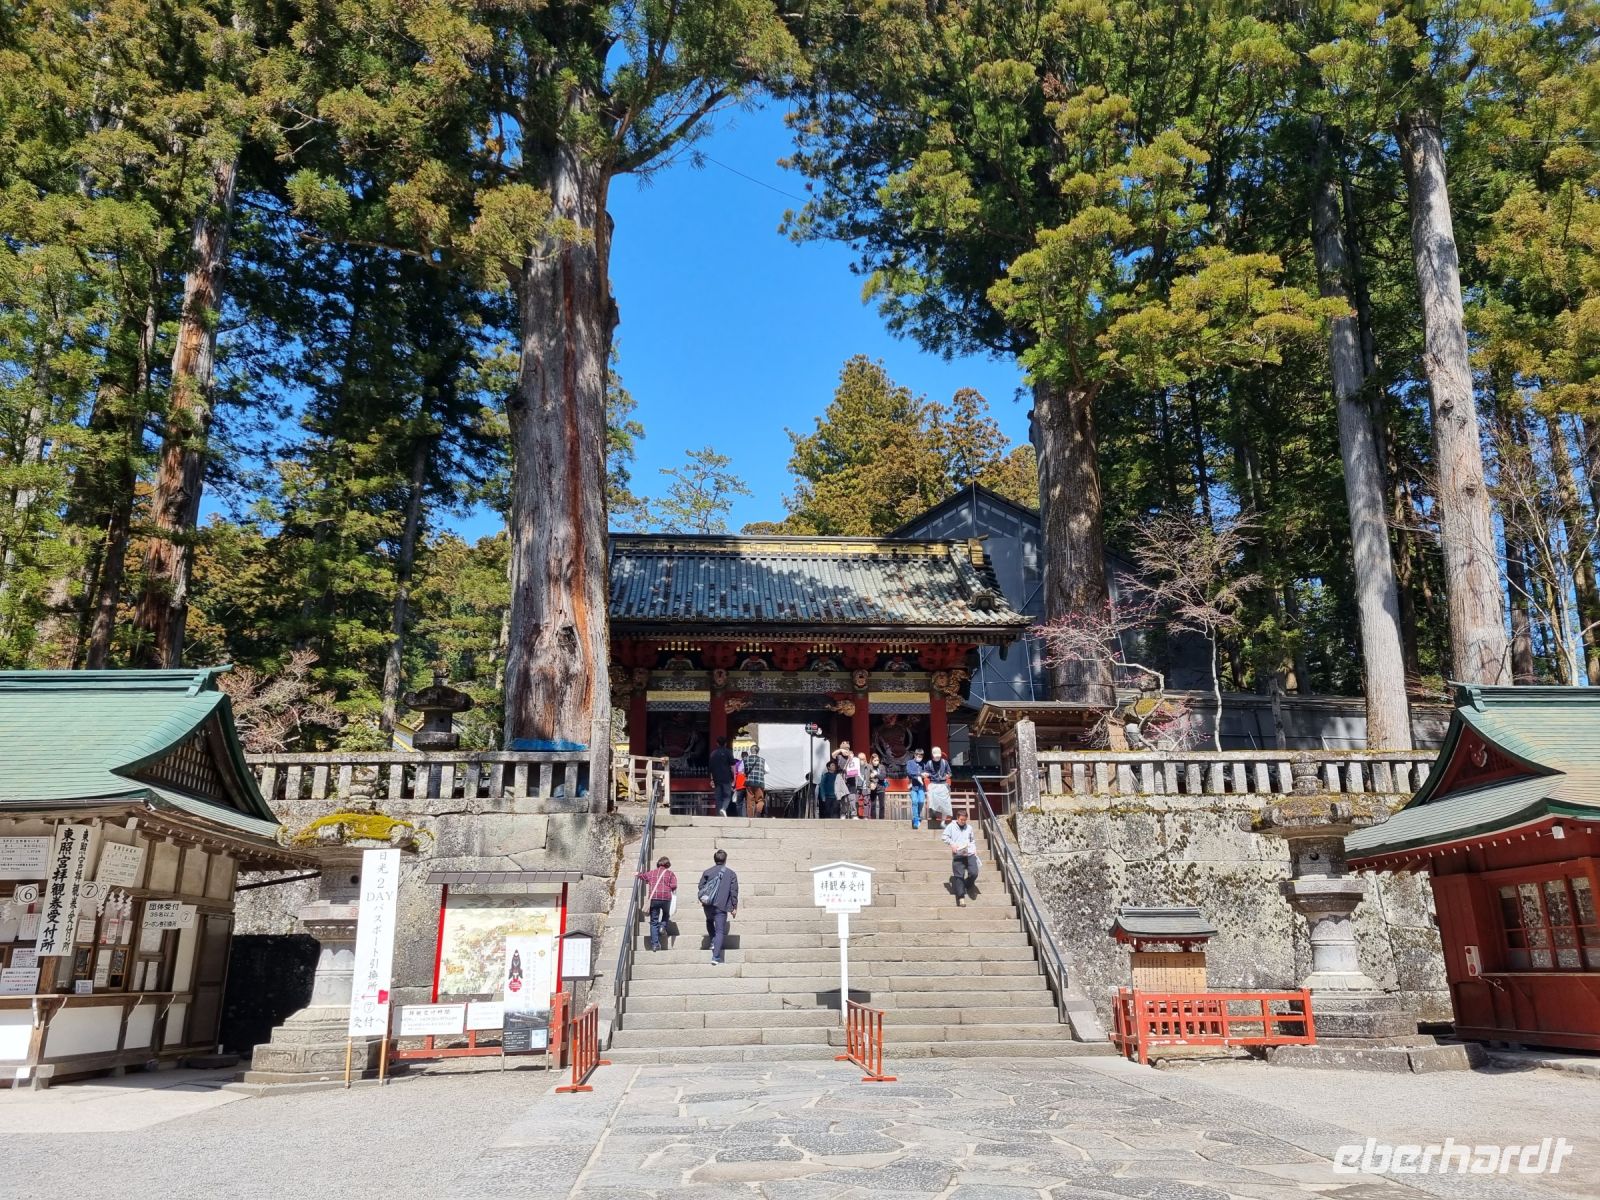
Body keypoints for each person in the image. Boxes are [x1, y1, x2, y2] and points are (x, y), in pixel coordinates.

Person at [697, 849, 739, 964]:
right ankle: (715, 957)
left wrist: (704, 898)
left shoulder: (707, 872)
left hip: (708, 904)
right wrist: (734, 907)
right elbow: (733, 891)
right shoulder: (731, 873)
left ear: (715, 860)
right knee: (720, 930)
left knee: (709, 921)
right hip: (722, 905)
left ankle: (713, 941)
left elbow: (701, 886)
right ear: (725, 860)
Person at [636, 856, 677, 951]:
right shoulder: (670, 873)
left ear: (658, 864)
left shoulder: (652, 873)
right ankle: (662, 926)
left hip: (654, 898)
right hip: (666, 898)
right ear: (668, 865)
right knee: (666, 914)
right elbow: (674, 885)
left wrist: (638, 874)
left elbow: (643, 876)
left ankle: (655, 945)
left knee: (654, 922)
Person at [942, 812, 980, 906]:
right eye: (961, 820)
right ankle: (961, 897)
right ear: (957, 818)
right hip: (958, 853)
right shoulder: (951, 826)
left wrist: (974, 849)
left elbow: (972, 840)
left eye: (965, 820)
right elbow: (944, 837)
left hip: (970, 853)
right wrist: (952, 844)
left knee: (974, 872)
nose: (963, 822)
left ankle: (967, 884)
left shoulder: (969, 828)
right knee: (959, 876)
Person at [925, 745, 953, 829]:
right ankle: (933, 813)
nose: (937, 758)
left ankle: (943, 822)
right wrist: (926, 774)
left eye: (938, 756)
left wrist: (948, 776)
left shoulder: (944, 762)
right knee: (932, 802)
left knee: (945, 804)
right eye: (935, 756)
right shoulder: (929, 763)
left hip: (943, 784)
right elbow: (926, 772)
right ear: (933, 755)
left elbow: (950, 773)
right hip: (933, 784)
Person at [708, 737, 735, 816]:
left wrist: (712, 779)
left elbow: (711, 768)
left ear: (717, 743)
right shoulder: (728, 752)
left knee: (718, 797)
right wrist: (734, 778)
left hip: (716, 778)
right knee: (727, 796)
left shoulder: (713, 754)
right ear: (726, 744)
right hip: (727, 778)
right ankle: (723, 808)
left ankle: (718, 814)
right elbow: (733, 766)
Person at [905, 748, 926, 829]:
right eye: (918, 755)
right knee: (914, 801)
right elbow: (909, 773)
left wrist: (925, 774)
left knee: (921, 801)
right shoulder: (910, 763)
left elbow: (926, 772)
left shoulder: (923, 764)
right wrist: (919, 775)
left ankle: (917, 815)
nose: (919, 757)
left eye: (921, 756)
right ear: (915, 755)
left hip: (921, 786)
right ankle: (916, 819)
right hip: (913, 786)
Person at [744, 745, 767, 817]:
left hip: (749, 783)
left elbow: (742, 770)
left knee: (750, 801)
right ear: (758, 751)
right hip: (759, 783)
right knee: (760, 800)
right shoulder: (762, 760)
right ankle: (758, 812)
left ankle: (750, 817)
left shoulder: (745, 759)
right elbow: (768, 770)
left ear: (750, 751)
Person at [865, 752, 886, 820]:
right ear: (872, 760)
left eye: (877, 760)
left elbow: (883, 776)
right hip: (873, 788)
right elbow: (867, 778)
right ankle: (873, 818)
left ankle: (881, 818)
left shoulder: (881, 767)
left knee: (882, 805)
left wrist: (876, 775)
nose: (876, 762)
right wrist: (870, 784)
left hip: (881, 788)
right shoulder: (869, 767)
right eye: (875, 760)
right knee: (873, 805)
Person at [733, 752, 747, 816]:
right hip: (748, 785)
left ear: (741, 756)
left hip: (739, 785)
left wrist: (734, 785)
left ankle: (740, 817)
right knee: (749, 802)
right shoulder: (749, 763)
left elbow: (735, 775)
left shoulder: (737, 764)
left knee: (739, 803)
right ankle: (749, 816)